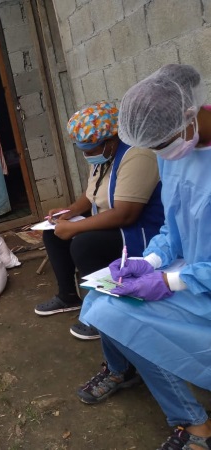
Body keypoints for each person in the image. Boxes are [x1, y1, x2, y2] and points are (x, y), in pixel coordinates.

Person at [76, 64, 211, 450]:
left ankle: (195, 425)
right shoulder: (175, 150)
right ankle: (121, 370)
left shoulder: (181, 142)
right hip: (192, 273)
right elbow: (173, 227)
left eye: (159, 143)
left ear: (190, 115)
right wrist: (149, 262)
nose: (158, 153)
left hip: (199, 281)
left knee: (120, 316)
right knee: (100, 297)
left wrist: (169, 281)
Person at [34, 101, 164, 340]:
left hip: (139, 230)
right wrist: (69, 212)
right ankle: (68, 297)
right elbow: (91, 195)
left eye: (91, 149)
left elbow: (126, 214)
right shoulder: (105, 157)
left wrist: (75, 228)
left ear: (111, 140)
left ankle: (107, 314)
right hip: (113, 221)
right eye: (83, 150)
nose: (87, 155)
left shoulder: (137, 156)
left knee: (84, 244)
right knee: (52, 232)